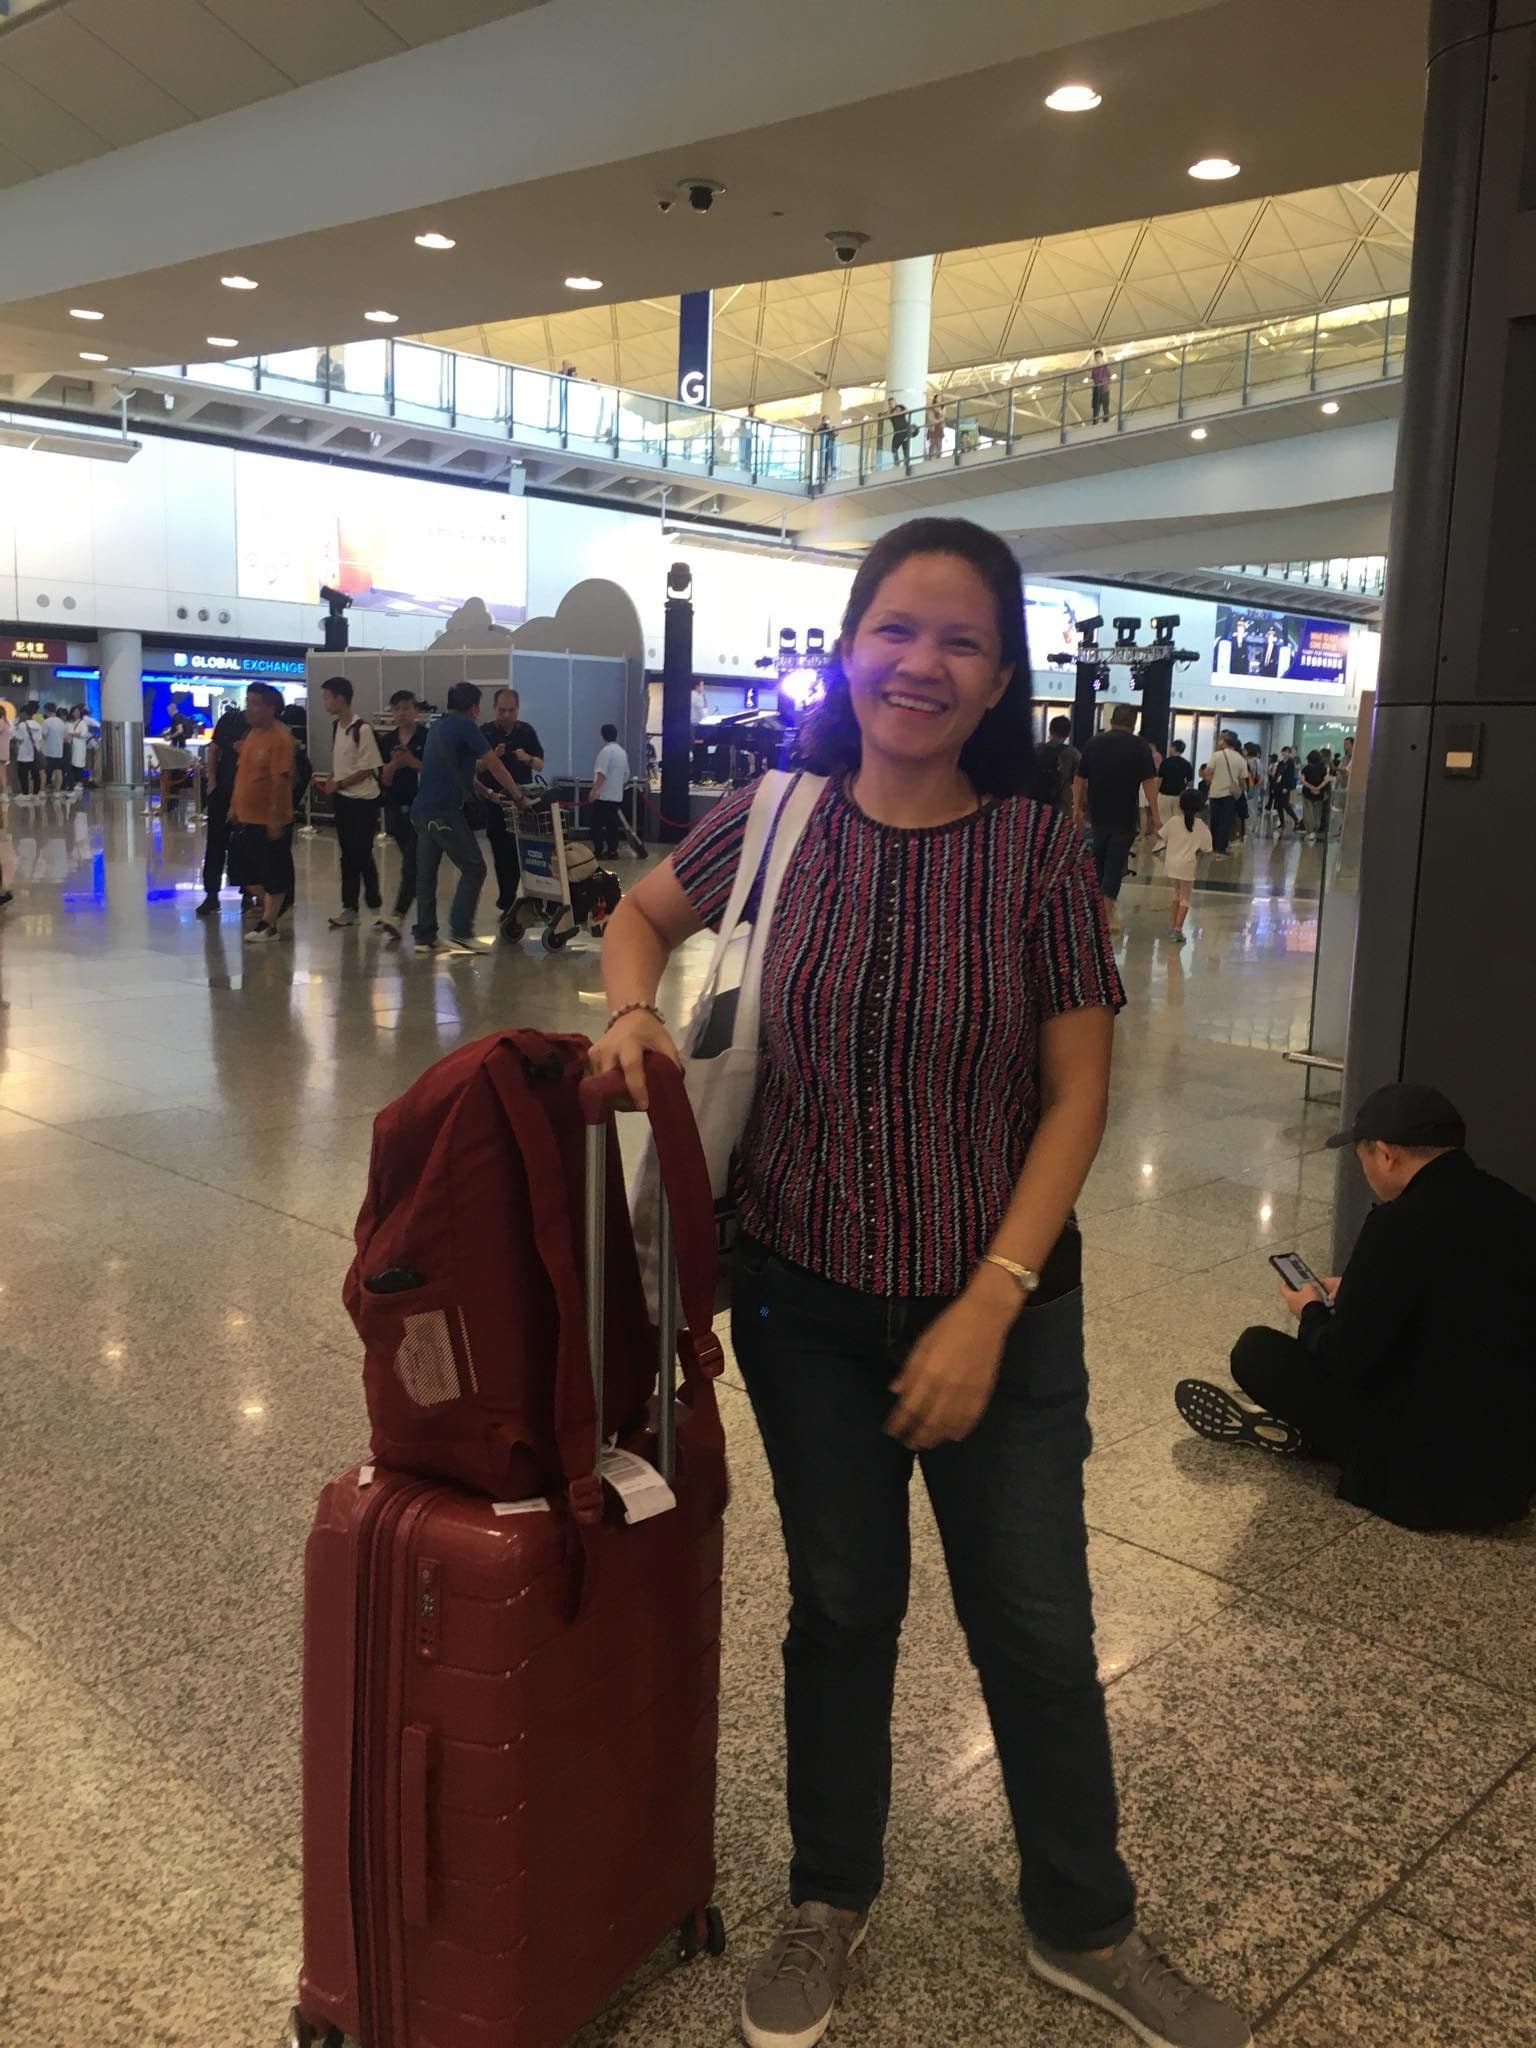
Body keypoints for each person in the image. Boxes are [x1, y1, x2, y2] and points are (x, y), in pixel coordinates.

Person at [591, 514, 1248, 2048]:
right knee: (841, 1607)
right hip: (806, 1303)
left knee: (1033, 1620)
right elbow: (637, 914)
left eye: (960, 639)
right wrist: (629, 1015)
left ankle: (1086, 1921)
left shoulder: (1035, 855)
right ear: (850, 644)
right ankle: (831, 1898)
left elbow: (1077, 1096)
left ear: (1001, 673)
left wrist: (989, 1302)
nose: (923, 662)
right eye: (897, 627)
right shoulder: (774, 816)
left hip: (1004, 1314)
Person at [1175, 1083, 1536, 1532]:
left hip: (1425, 1476)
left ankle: (1312, 1436)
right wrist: (1362, 1289)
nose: (1363, 1169)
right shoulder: (1516, 1207)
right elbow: (1460, 1301)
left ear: (1386, 1154)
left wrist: (1309, 1309)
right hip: (1509, 1470)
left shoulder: (1396, 1224)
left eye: (1362, 1156)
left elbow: (1342, 1357)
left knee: (1256, 1351)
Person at [411, 682, 526, 955]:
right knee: (475, 867)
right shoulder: (466, 726)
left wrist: (487, 793)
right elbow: (494, 764)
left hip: (422, 811)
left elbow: (459, 770)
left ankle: (425, 936)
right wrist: (517, 795)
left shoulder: (437, 727)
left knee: (426, 874)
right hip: (444, 811)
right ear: (474, 707)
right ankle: (461, 932)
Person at [1073, 703, 1160, 918]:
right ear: (1134, 723)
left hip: (1098, 812)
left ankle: (1093, 910)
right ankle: (1105, 914)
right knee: (1115, 863)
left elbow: (1079, 777)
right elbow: (1149, 783)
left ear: (1112, 720)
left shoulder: (1094, 742)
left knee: (1098, 861)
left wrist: (1077, 806)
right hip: (1125, 815)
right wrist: (1156, 817)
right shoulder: (1140, 747)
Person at [314, 676, 383, 929]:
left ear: (340, 698)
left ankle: (374, 907)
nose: (325, 702)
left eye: (327, 697)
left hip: (363, 801)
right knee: (347, 855)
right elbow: (339, 763)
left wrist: (340, 783)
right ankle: (349, 907)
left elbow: (367, 768)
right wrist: (333, 780)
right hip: (343, 801)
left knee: (362, 854)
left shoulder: (361, 729)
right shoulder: (337, 727)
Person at [228, 683, 295, 944]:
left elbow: (280, 781)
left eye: (255, 703)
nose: (250, 708)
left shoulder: (280, 738)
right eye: (248, 702)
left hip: (268, 819)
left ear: (271, 708)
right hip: (245, 816)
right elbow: (242, 774)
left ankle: (269, 922)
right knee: (242, 873)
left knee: (272, 871)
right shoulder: (252, 735)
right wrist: (234, 805)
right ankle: (278, 901)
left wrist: (276, 818)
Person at [477, 686, 545, 916]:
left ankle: (527, 898)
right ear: (494, 709)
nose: (506, 715)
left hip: (522, 801)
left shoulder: (526, 731)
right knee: (501, 852)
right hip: (495, 801)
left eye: (511, 710)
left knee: (523, 851)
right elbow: (473, 767)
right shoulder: (484, 732)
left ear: (518, 710)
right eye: (502, 710)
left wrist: (527, 758)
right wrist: (492, 758)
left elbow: (540, 764)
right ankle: (506, 900)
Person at [377, 690, 426, 940]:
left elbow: (433, 770)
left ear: (415, 710)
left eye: (407, 707)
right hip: (396, 809)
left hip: (423, 808)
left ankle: (398, 913)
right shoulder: (386, 742)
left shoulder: (428, 737)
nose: (402, 713)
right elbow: (383, 778)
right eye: (396, 709)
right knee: (412, 862)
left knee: (412, 863)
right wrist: (395, 765)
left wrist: (411, 761)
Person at [195, 696, 250, 916]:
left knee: (246, 844)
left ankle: (248, 893)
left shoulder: (262, 728)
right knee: (216, 842)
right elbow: (214, 749)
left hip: (247, 793)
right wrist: (212, 781)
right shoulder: (230, 719)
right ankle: (211, 894)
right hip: (223, 790)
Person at [1158, 786, 1211, 944]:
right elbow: (1207, 847)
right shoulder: (1200, 825)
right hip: (1187, 865)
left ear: (1181, 804)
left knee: (1176, 895)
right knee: (1185, 899)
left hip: (1171, 863)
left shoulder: (1174, 821)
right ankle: (1177, 930)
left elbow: (1161, 835)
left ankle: (1172, 925)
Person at [1202, 730, 1248, 855]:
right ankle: (1221, 848)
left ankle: (1212, 846)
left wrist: (1214, 781)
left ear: (1225, 742)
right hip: (1230, 796)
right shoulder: (1240, 759)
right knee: (1226, 822)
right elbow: (1243, 781)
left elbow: (1206, 772)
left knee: (1214, 821)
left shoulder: (1217, 755)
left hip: (1215, 793)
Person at [589, 722, 630, 860]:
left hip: (603, 796)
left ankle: (598, 850)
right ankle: (613, 851)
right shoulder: (622, 753)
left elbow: (601, 774)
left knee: (596, 825)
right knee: (613, 826)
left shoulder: (606, 752)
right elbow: (626, 775)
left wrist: (594, 791)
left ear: (603, 736)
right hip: (616, 796)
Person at [1030, 714, 1079, 812]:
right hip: (1062, 806)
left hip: (1037, 805)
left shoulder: (1036, 750)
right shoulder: (1073, 754)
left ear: (1050, 730)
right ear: (1068, 733)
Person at [1155, 738, 1193, 829]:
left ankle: (1164, 840)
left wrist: (1156, 793)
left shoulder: (1166, 762)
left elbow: (1159, 780)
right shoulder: (1186, 764)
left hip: (1165, 795)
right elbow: (1190, 782)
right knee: (1178, 820)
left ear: (1173, 748)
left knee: (1163, 819)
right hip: (1179, 795)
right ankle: (1176, 839)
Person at [1300, 749, 1333, 842]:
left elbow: (1302, 780)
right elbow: (1326, 779)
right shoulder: (1323, 768)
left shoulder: (1306, 768)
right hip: (1319, 794)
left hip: (1307, 793)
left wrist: (1311, 787)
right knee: (1317, 812)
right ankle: (1315, 830)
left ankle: (1310, 831)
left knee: (1308, 812)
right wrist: (1318, 788)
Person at [13, 703, 43, 804]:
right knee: (36, 775)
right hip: (35, 754)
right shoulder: (37, 725)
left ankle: (25, 794)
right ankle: (36, 794)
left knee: (23, 775)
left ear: (25, 714)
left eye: (21, 714)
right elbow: (39, 738)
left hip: (24, 755)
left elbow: (18, 737)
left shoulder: (22, 725)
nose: (21, 716)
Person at [64, 706, 93, 795]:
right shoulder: (71, 723)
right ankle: (72, 784)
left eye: (77, 712)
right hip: (72, 747)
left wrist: (72, 734)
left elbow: (83, 734)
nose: (75, 713)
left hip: (79, 747)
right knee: (72, 765)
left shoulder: (82, 723)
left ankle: (79, 783)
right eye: (74, 712)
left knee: (78, 765)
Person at [41, 702, 67, 793]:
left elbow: (43, 736)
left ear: (46, 710)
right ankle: (57, 791)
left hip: (48, 751)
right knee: (58, 771)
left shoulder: (46, 722)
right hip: (59, 751)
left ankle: (42, 790)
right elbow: (64, 737)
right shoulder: (61, 722)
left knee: (43, 771)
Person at [1088, 348, 1112, 425]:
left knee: (1105, 407)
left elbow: (1108, 375)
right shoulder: (1094, 368)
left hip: (1104, 389)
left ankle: (1106, 422)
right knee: (1096, 407)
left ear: (1101, 357)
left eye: (1099, 357)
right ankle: (1095, 422)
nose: (1097, 358)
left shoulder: (1105, 366)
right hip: (1097, 389)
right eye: (1096, 357)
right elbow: (1093, 377)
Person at [888, 399, 913, 466]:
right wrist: (895, 413)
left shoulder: (900, 407)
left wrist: (898, 413)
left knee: (903, 448)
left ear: (895, 402)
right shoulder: (890, 412)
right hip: (898, 432)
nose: (891, 404)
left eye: (892, 403)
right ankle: (898, 463)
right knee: (895, 448)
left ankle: (905, 463)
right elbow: (889, 416)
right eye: (890, 403)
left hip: (904, 430)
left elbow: (907, 410)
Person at [0, 700, 13, 802]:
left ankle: (4, 793)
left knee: (2, 773)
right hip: (4, 751)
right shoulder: (6, 723)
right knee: (3, 772)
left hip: (0, 751)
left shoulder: (1, 722)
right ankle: (4, 793)